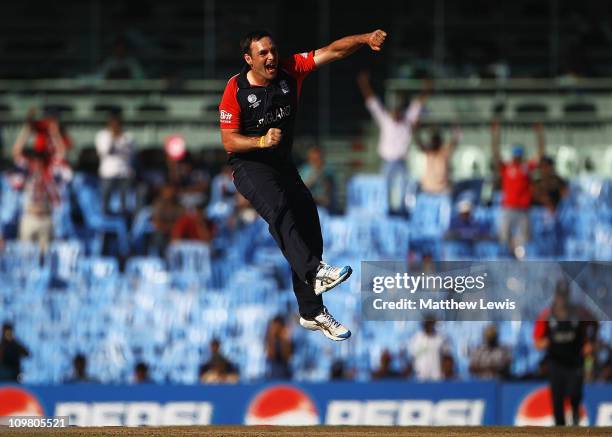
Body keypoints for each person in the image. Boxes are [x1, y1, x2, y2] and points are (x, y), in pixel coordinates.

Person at [219, 29, 387, 340]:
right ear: (249, 60)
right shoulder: (236, 88)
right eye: (263, 54)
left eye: (273, 50)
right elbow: (228, 139)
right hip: (249, 166)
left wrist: (364, 39)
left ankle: (311, 312)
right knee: (281, 210)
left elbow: (333, 51)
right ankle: (314, 272)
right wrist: (259, 140)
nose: (271, 57)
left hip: (282, 166)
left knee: (309, 221)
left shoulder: (290, 69)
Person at [357, 72, 429, 214]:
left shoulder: (407, 121)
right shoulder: (386, 120)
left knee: (404, 188)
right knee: (385, 188)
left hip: (401, 162)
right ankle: (385, 212)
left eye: (398, 111)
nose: (395, 114)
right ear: (391, 111)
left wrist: (426, 89)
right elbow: (372, 102)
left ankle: (402, 213)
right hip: (388, 162)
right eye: (394, 111)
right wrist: (364, 84)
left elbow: (418, 104)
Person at [533, 280, 598, 426]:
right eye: (560, 296)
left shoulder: (579, 313)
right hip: (556, 363)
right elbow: (537, 340)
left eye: (565, 296)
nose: (562, 299)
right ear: (556, 296)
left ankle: (575, 423)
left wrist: (591, 342)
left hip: (575, 361)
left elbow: (594, 323)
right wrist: (544, 343)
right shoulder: (547, 315)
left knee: (575, 394)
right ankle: (559, 429)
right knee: (557, 399)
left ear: (568, 296)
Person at [491, 121, 545, 258]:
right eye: (515, 155)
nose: (517, 158)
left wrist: (539, 134)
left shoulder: (526, 168)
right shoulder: (507, 168)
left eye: (519, 156)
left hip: (523, 209)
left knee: (526, 240)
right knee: (503, 238)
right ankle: (507, 257)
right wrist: (496, 134)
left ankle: (521, 259)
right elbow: (495, 153)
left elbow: (540, 153)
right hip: (508, 208)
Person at [95, 113, 135, 214]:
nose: (115, 126)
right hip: (108, 173)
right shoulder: (102, 135)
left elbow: (129, 154)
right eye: (112, 124)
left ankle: (124, 221)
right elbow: (105, 152)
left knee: (124, 203)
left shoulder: (128, 136)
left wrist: (120, 139)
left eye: (117, 124)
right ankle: (105, 223)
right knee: (105, 202)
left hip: (124, 173)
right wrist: (113, 138)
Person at [416, 126, 460, 194]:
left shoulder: (444, 152)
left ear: (440, 142)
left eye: (436, 141)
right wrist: (416, 130)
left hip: (441, 190)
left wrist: (456, 130)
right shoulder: (429, 152)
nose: (434, 143)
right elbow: (419, 144)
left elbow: (454, 142)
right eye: (433, 141)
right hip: (428, 189)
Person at [408, 316, 452, 381]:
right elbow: (412, 357)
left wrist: (445, 371)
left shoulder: (441, 338)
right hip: (420, 376)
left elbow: (447, 357)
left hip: (437, 375)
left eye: (430, 323)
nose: (428, 325)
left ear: (434, 324)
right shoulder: (416, 339)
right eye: (426, 323)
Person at [298, 146, 336, 212]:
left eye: (319, 159)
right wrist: (314, 176)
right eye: (314, 159)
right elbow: (300, 190)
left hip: (325, 208)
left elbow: (329, 192)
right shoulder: (304, 171)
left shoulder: (328, 171)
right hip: (308, 207)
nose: (317, 162)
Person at [150, 185, 183, 256]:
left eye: (171, 191)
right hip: (162, 231)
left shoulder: (179, 205)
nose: (169, 193)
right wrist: (168, 227)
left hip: (175, 231)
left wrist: (174, 229)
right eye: (167, 191)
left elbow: (181, 223)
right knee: (158, 236)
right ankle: (159, 258)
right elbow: (156, 223)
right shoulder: (158, 204)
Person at [265, 315, 293, 380]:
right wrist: (272, 335)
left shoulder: (287, 341)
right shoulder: (270, 340)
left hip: (285, 375)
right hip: (272, 376)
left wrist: (285, 336)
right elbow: (271, 354)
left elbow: (287, 356)